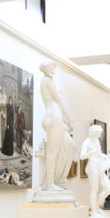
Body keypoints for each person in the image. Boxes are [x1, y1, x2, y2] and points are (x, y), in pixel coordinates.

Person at [39, 60, 76, 191]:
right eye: (50, 68)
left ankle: (57, 180)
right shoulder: (47, 81)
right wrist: (69, 118)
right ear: (45, 70)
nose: (52, 70)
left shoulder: (48, 81)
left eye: (53, 68)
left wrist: (66, 122)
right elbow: (60, 100)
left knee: (69, 145)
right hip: (53, 116)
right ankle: (50, 184)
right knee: (52, 152)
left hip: (56, 117)